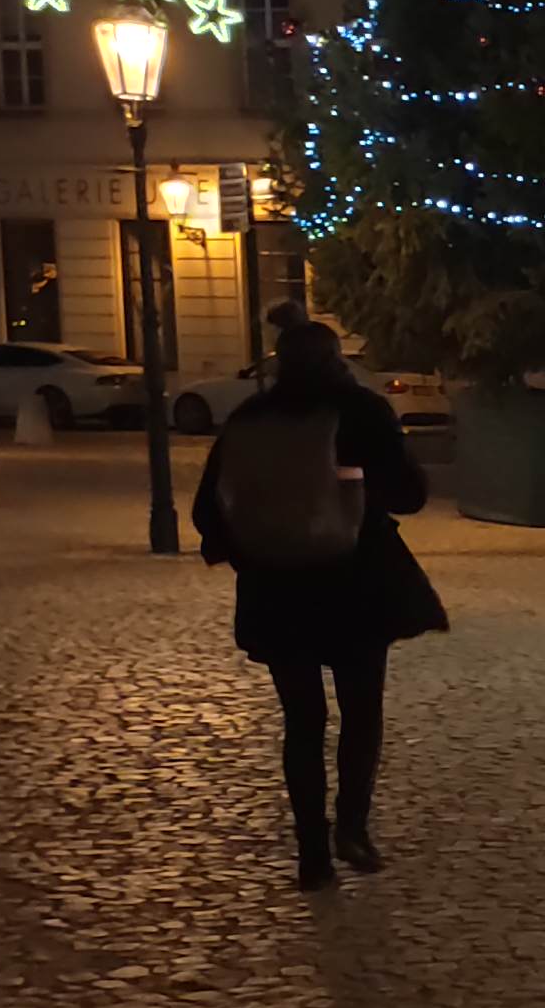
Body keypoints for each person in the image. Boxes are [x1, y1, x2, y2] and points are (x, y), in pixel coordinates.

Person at [192, 319, 449, 889]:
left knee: (302, 721)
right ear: (337, 361)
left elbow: (207, 511)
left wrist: (254, 546)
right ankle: (352, 828)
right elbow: (409, 494)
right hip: (355, 584)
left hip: (277, 588)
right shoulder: (360, 411)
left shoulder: (251, 417)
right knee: (360, 712)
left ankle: (311, 852)